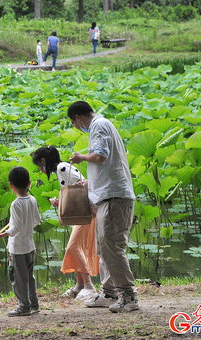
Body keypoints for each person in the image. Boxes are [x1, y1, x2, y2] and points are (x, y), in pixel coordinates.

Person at [67, 101, 138, 313]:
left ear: (78, 118)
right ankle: (109, 293)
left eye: (74, 122)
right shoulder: (104, 125)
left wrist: (80, 157)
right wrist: (90, 183)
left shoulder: (99, 125)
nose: (76, 126)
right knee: (104, 246)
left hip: (115, 197)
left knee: (112, 247)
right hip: (108, 195)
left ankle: (128, 295)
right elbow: (109, 164)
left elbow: (99, 155)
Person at [32, 146, 98, 301]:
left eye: (39, 165)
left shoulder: (62, 168)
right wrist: (59, 202)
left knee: (74, 247)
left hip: (86, 213)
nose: (40, 169)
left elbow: (83, 187)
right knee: (76, 247)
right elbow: (75, 192)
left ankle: (89, 286)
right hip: (81, 214)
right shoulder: (60, 170)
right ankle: (79, 286)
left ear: (43, 161)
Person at [0, 166, 41, 317]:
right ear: (29, 184)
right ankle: (33, 304)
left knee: (18, 277)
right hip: (30, 246)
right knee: (29, 276)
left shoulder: (16, 204)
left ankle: (23, 306)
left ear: (11, 185)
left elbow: (16, 228)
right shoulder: (32, 199)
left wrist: (2, 235)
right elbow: (37, 220)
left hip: (18, 248)